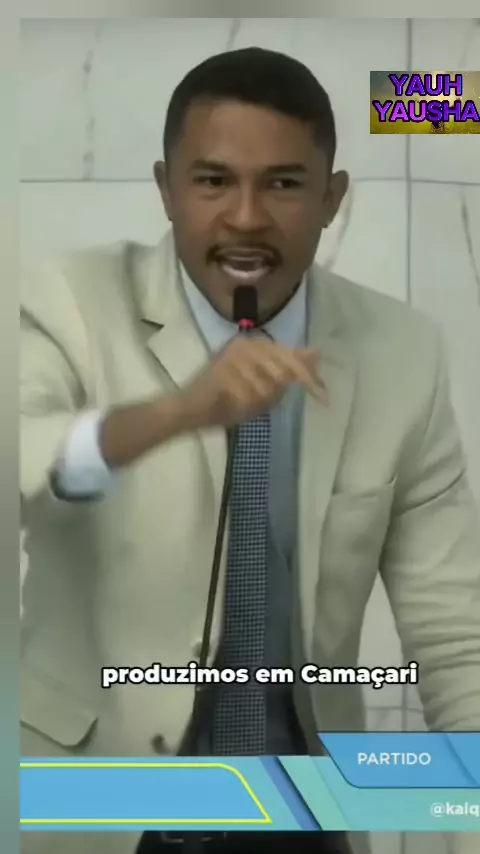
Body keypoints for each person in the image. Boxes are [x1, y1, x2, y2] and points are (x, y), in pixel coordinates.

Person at [20, 47, 480, 854]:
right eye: (212, 181)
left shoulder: (403, 352)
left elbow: (453, 628)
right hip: (96, 808)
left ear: (332, 197)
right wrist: (178, 413)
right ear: (166, 189)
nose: (245, 217)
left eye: (284, 184)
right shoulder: (66, 299)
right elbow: (27, 464)